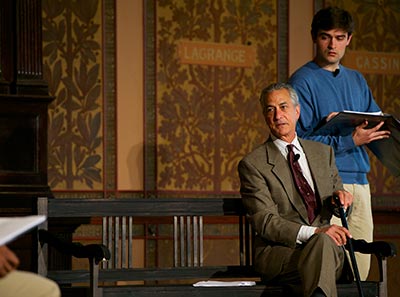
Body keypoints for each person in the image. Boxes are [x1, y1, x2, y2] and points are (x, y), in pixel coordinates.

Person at [288, 6, 391, 281]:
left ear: (349, 39)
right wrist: (349, 138)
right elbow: (299, 142)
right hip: (327, 184)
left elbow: (376, 122)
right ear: (314, 38)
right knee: (332, 268)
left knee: (361, 269)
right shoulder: (302, 81)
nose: (332, 44)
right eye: (325, 37)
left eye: (339, 37)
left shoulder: (357, 80)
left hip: (360, 182)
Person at [238, 82, 354, 297]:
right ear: (264, 116)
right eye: (270, 109)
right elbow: (265, 221)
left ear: (297, 111)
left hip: (328, 251)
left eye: (283, 107)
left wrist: (343, 203)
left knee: (322, 246)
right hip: (283, 255)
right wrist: (315, 233)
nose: (277, 115)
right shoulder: (253, 164)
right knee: (320, 245)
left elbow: (339, 206)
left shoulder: (323, 153)